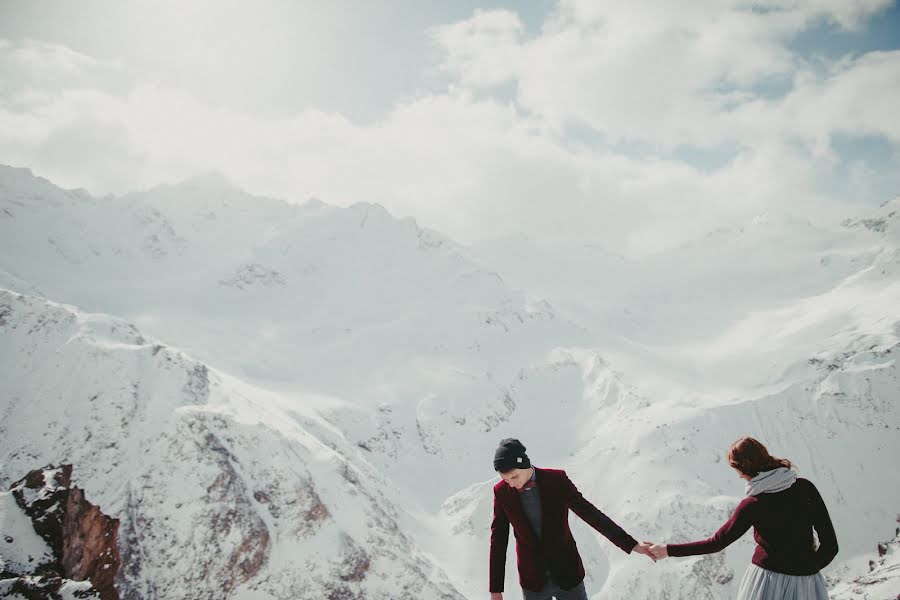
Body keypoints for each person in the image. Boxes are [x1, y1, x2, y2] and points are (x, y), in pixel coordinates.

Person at [648, 437, 839, 600]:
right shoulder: (805, 488)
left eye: (736, 470)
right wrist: (805, 569)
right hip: (807, 585)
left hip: (766, 583)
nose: (739, 476)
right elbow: (831, 545)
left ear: (744, 469)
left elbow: (716, 543)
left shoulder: (754, 504)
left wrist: (667, 550)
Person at [488, 438, 654, 600]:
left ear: (524, 464)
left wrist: (631, 544)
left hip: (568, 574)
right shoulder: (501, 492)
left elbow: (590, 513)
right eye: (505, 479)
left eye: (514, 477)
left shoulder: (557, 480)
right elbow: (498, 540)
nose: (510, 484)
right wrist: (496, 590)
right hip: (533, 581)